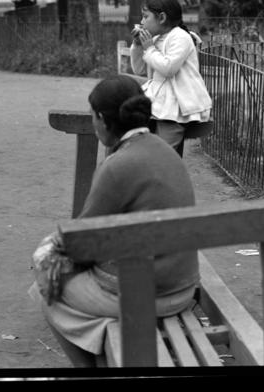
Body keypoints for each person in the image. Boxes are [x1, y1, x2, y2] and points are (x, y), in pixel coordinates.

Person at [33, 75, 199, 367]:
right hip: (183, 286)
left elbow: (82, 242)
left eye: (93, 117)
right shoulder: (165, 151)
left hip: (149, 294)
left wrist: (52, 249)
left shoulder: (118, 165)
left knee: (45, 286)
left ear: (103, 119)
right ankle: (103, 353)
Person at [130, 0, 212, 156]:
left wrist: (149, 49)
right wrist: (138, 46)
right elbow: (139, 69)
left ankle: (168, 179)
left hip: (174, 107)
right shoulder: (156, 39)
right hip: (158, 105)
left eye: (145, 17)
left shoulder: (181, 38)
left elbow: (168, 68)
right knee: (152, 150)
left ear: (161, 17)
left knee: (165, 155)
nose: (141, 22)